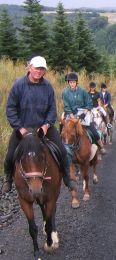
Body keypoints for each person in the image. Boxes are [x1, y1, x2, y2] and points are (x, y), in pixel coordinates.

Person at [1, 56, 75, 193]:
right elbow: (10, 108)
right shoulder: (18, 85)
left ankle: (66, 178)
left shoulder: (47, 86)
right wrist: (19, 128)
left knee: (63, 151)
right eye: (37, 68)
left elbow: (52, 109)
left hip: (43, 128)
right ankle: (8, 179)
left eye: (42, 69)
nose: (39, 71)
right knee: (10, 155)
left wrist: (47, 125)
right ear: (30, 67)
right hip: (23, 128)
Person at [62, 72, 106, 155]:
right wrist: (73, 118)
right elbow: (67, 106)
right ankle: (63, 148)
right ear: (68, 83)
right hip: (71, 115)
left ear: (76, 82)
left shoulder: (83, 91)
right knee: (63, 130)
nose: (72, 84)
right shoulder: (65, 93)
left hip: (83, 113)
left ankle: (101, 145)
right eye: (70, 82)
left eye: (73, 82)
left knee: (93, 130)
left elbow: (89, 103)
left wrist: (84, 113)